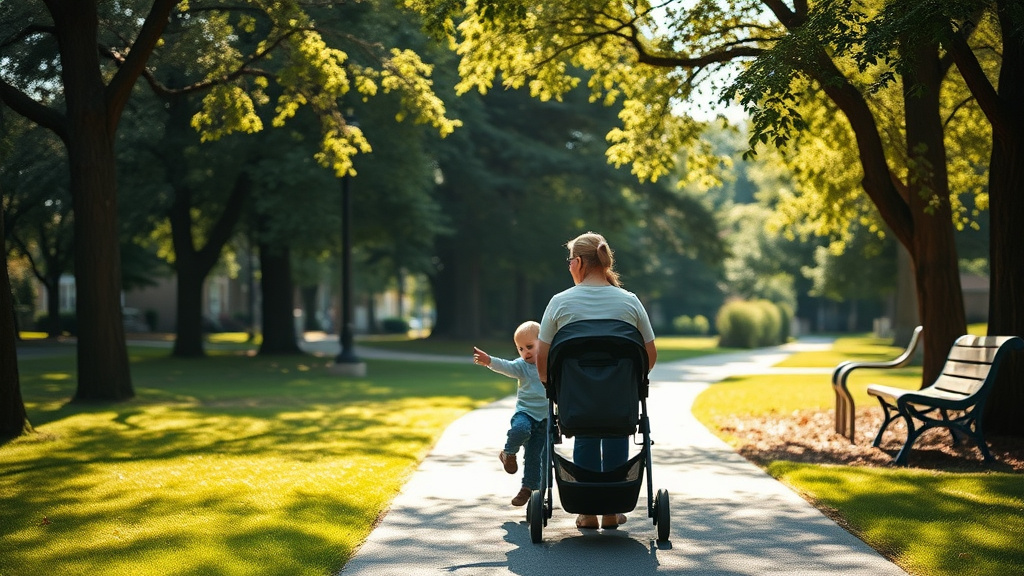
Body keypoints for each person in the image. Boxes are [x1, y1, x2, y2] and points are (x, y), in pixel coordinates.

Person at [536, 231, 658, 531]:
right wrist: (632, 380)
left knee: (585, 431)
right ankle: (612, 511)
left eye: (569, 261)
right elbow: (649, 354)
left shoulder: (560, 302)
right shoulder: (629, 302)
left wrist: (548, 383)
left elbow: (542, 355)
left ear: (578, 262)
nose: (569, 266)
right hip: (620, 401)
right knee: (616, 429)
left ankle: (588, 513)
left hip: (576, 402)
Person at [472, 321, 548, 507]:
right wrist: (489, 361)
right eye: (521, 349)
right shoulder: (522, 366)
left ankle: (527, 489)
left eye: (529, 346)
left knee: (534, 457)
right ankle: (508, 453)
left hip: (546, 418)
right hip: (526, 412)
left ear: (543, 342)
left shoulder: (551, 363)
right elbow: (505, 366)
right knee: (519, 430)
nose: (525, 352)